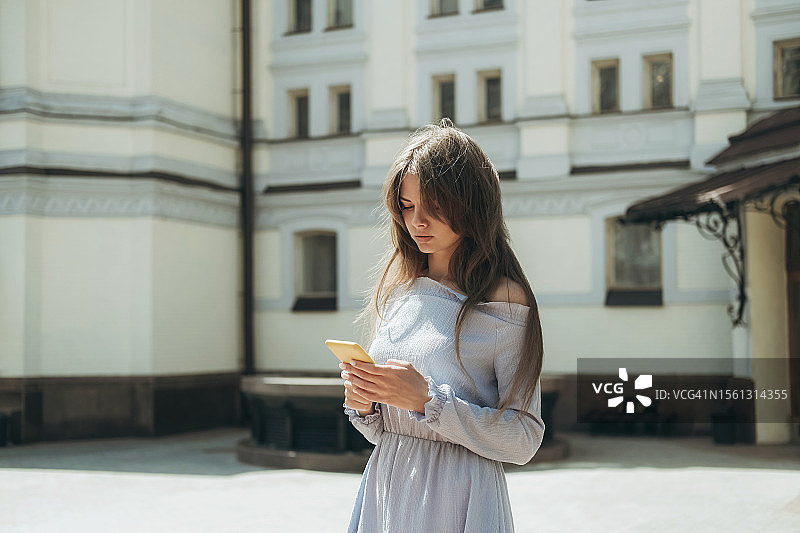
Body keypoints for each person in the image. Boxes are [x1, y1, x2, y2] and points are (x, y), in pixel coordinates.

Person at [340, 119, 545, 532]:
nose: (418, 222)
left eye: (433, 206)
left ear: (470, 203)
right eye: (407, 205)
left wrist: (428, 402)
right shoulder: (401, 292)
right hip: (388, 486)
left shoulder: (503, 300)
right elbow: (384, 434)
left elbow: (524, 438)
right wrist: (363, 402)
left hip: (459, 496)